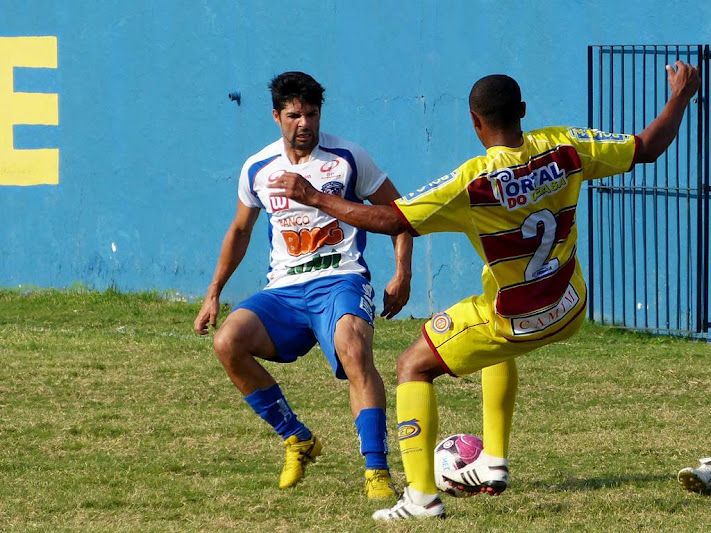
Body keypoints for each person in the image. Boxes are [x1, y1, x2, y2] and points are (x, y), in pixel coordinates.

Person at [270, 61, 700, 519]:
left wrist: (315, 197)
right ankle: (493, 462)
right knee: (490, 322)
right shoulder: (567, 147)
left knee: (412, 365)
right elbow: (649, 147)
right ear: (524, 111)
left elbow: (393, 219)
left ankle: (420, 498)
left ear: (475, 122)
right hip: (570, 307)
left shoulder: (472, 182)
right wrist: (680, 95)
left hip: (513, 319)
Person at [194, 71, 413, 499]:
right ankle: (297, 438)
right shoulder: (258, 167)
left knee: (354, 350)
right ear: (276, 116)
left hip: (340, 279)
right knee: (227, 343)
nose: (304, 123)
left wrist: (402, 273)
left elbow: (401, 214)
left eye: (311, 114)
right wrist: (214, 292)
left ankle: (377, 472)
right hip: (285, 290)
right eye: (294, 115)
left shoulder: (347, 158)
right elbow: (240, 231)